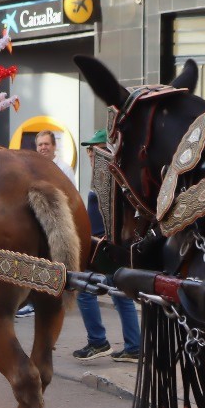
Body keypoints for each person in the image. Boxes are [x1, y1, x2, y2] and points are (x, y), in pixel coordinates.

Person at [73, 130, 141, 361]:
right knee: (121, 295)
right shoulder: (106, 177)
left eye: (95, 149)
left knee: (85, 291)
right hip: (105, 246)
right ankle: (132, 346)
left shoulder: (112, 178)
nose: (91, 154)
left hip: (106, 248)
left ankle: (98, 342)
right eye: (89, 150)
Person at [19, 130, 74, 317]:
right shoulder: (33, 168)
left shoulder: (63, 169)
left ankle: (55, 298)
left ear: (54, 147)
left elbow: (70, 197)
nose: (43, 147)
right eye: (40, 144)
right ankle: (34, 300)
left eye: (46, 144)